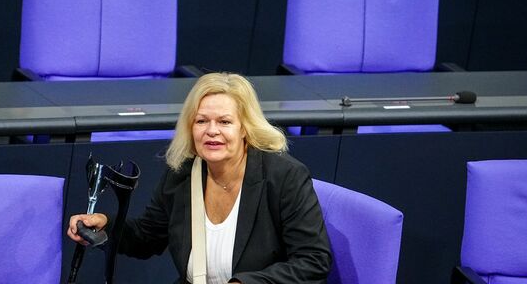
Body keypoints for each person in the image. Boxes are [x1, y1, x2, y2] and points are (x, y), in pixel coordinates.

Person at [68, 72, 332, 283]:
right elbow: (147, 237)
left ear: (245, 128)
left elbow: (313, 261)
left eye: (225, 122)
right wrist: (105, 224)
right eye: (202, 121)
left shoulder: (284, 176)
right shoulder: (182, 173)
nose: (212, 131)